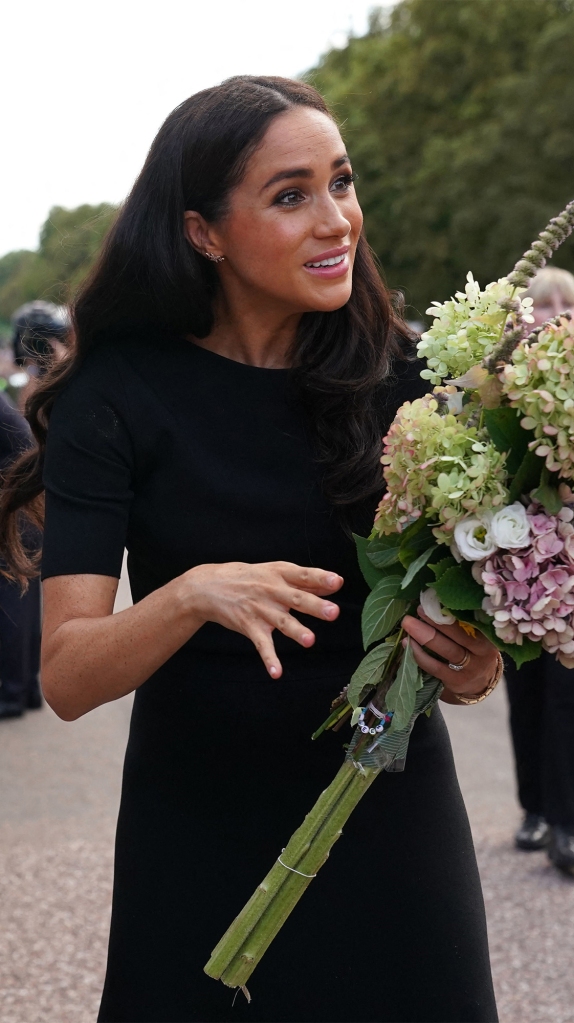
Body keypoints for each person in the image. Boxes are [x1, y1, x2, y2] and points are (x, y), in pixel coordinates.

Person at [0, 77, 500, 1023]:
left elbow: (468, 647)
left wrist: (473, 663)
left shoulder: (406, 376)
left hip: (391, 813)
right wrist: (191, 595)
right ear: (203, 233)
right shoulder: (119, 392)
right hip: (197, 828)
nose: (336, 219)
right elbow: (64, 675)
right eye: (290, 194)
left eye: (341, 182)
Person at [504, 267, 574, 872]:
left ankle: (567, 824)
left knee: (571, 693)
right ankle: (533, 808)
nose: (555, 310)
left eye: (567, 302)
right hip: (515, 563)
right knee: (525, 689)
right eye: (544, 302)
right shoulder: (502, 383)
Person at [0, 388, 41, 718]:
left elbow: (24, 450)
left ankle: (13, 692)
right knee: (23, 603)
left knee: (12, 602)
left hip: (16, 510)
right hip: (24, 505)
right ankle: (27, 688)